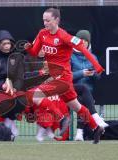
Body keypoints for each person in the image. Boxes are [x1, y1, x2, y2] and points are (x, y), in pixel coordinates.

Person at [24, 7, 104, 144]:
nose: (45, 23)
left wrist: (96, 66)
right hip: (55, 78)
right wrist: (29, 48)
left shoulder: (64, 36)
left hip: (63, 78)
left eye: (48, 20)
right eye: (43, 20)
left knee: (34, 95)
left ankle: (61, 118)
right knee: (77, 107)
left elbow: (83, 49)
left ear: (56, 20)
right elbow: (36, 52)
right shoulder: (42, 34)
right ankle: (96, 127)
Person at [71, 30, 108, 141]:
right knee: (82, 97)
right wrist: (82, 73)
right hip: (72, 89)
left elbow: (98, 78)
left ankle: (79, 132)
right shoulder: (70, 56)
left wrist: (95, 73)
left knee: (83, 98)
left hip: (88, 92)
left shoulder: (93, 57)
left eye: (85, 41)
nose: (83, 43)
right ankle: (93, 121)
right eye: (81, 40)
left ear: (88, 42)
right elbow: (67, 76)